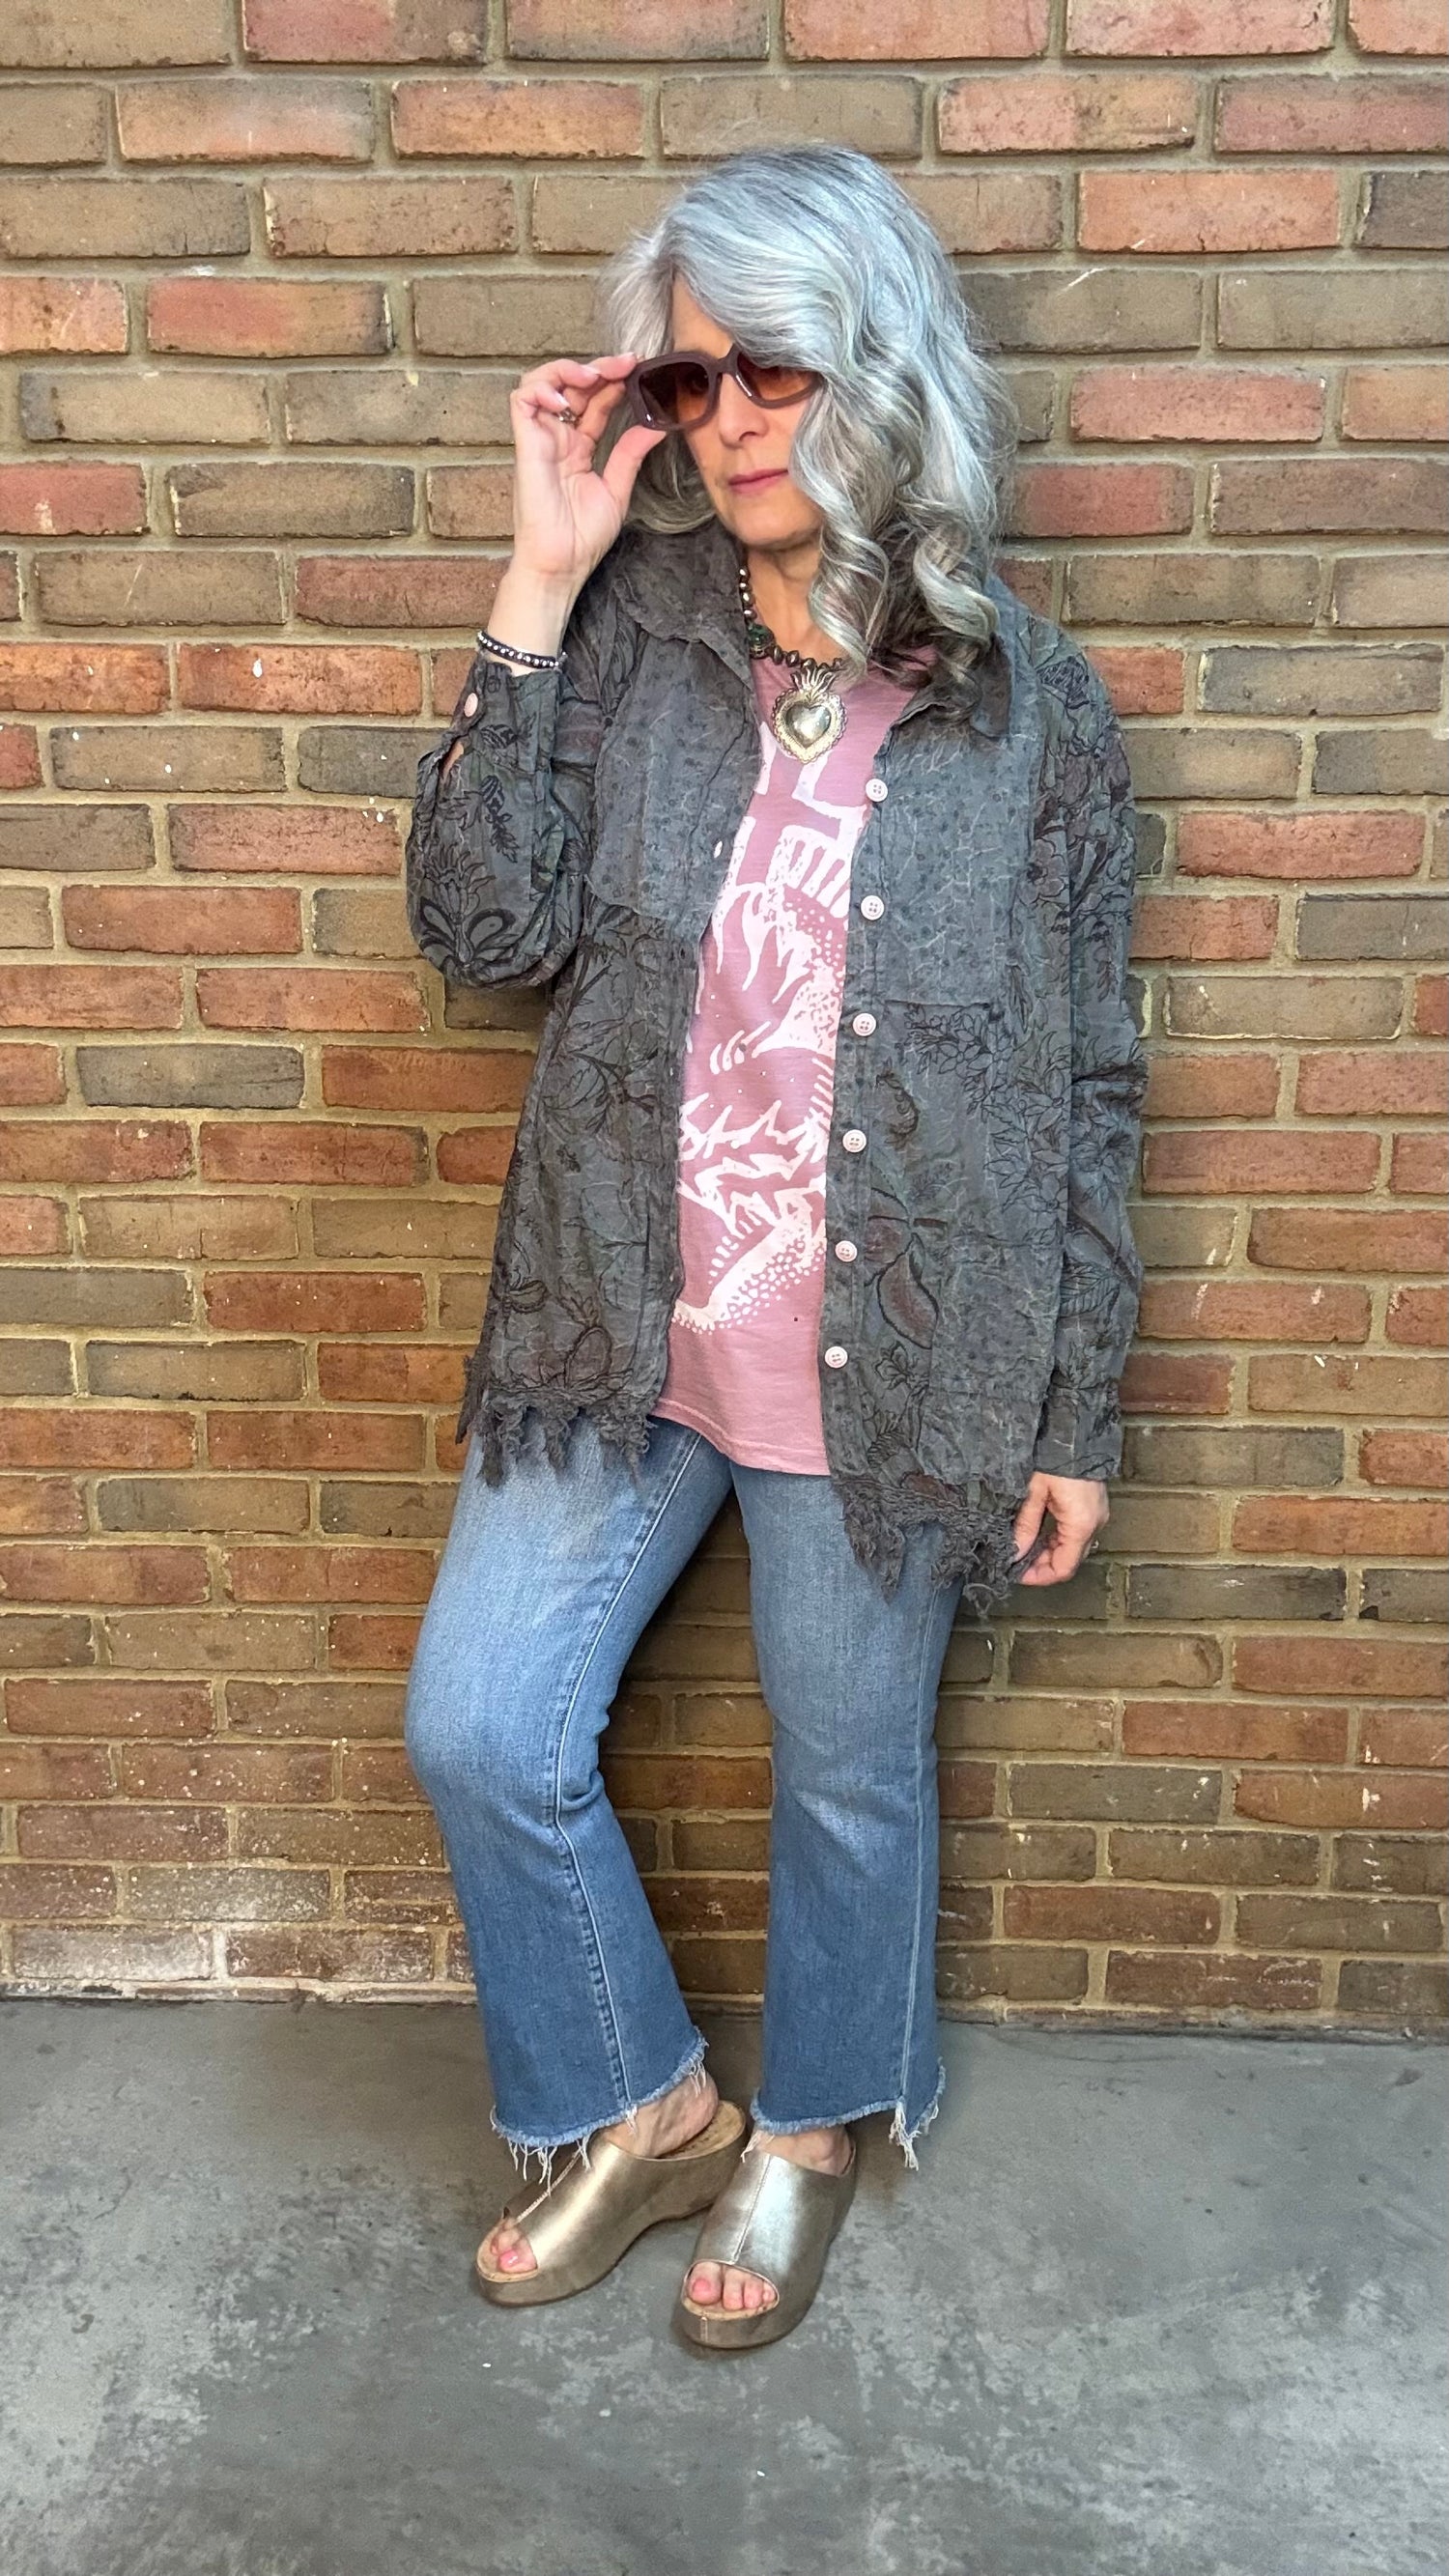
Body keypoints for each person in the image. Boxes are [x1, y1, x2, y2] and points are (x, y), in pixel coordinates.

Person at [402, 144, 1146, 2352]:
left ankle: (808, 2131)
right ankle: (644, 2101)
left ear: (882, 371)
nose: (726, 419)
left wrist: (1075, 1405)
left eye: (775, 370)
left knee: (848, 1775)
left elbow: (1090, 1076)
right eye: (690, 377)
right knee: (481, 1721)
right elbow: (484, 930)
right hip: (617, 1323)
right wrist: (536, 584)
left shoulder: (1032, 714)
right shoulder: (633, 640)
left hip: (898, 1352)